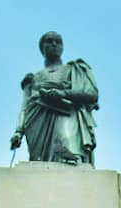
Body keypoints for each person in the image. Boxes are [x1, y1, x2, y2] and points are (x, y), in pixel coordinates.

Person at [10, 31, 99, 166]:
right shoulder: (32, 78)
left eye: (58, 41)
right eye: (49, 41)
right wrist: (18, 131)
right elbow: (25, 107)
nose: (54, 44)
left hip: (68, 114)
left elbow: (91, 94)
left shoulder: (74, 69)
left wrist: (63, 93)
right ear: (42, 48)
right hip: (38, 122)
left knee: (69, 150)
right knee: (40, 164)